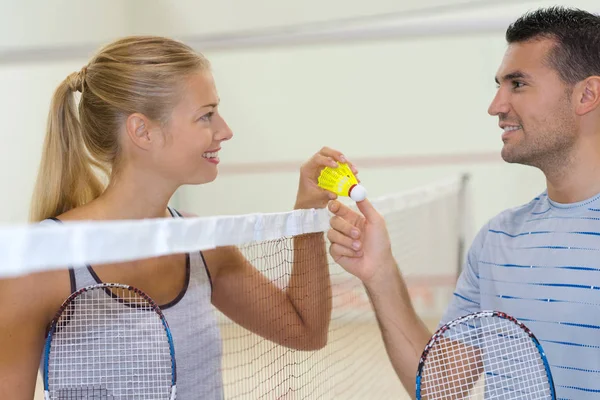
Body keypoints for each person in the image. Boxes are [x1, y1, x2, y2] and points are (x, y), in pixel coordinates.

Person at [0, 36, 355, 400]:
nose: (226, 131)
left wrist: (308, 220)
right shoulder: (38, 268)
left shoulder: (202, 243)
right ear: (143, 131)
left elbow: (305, 331)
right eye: (206, 115)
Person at [327, 6, 600, 399]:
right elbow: (439, 387)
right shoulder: (497, 240)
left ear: (586, 95)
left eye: (518, 84)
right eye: (499, 85)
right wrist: (380, 273)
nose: (497, 105)